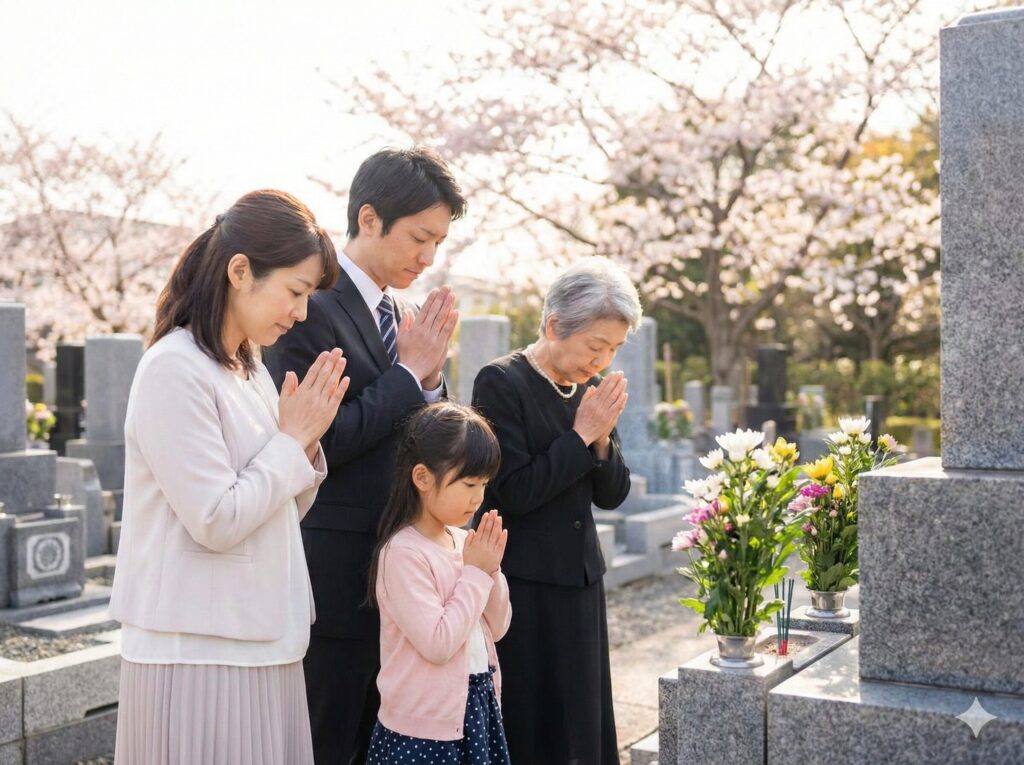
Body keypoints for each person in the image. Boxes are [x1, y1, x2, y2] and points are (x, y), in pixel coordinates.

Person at [109, 189, 347, 765]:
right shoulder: (174, 368)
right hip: (199, 647)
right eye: (295, 291)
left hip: (259, 633)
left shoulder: (249, 370)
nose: (301, 312)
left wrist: (304, 446)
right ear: (240, 271)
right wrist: (291, 442)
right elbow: (215, 519)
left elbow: (273, 510)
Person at [263, 147, 467, 764]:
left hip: (405, 569)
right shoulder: (308, 306)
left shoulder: (403, 314)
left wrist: (429, 382)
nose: (428, 257)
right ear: (371, 218)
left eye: (439, 242)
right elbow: (321, 439)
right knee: (330, 734)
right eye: (419, 237)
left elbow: (423, 434)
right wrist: (410, 372)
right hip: (337, 564)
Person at [471, 257, 641, 765]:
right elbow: (513, 491)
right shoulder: (501, 382)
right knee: (535, 723)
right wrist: (581, 436)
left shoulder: (592, 392)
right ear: (553, 326)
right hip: (525, 582)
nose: (603, 360)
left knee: (584, 720)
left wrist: (603, 441)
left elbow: (612, 494)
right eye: (595, 346)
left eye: (613, 349)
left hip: (582, 578)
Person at [366, 402, 511, 765]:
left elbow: (498, 626)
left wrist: (490, 571)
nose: (478, 497)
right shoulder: (403, 553)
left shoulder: (463, 542)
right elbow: (438, 643)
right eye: (468, 484)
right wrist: (477, 574)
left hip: (475, 706)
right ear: (423, 478)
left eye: (484, 484)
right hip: (423, 728)